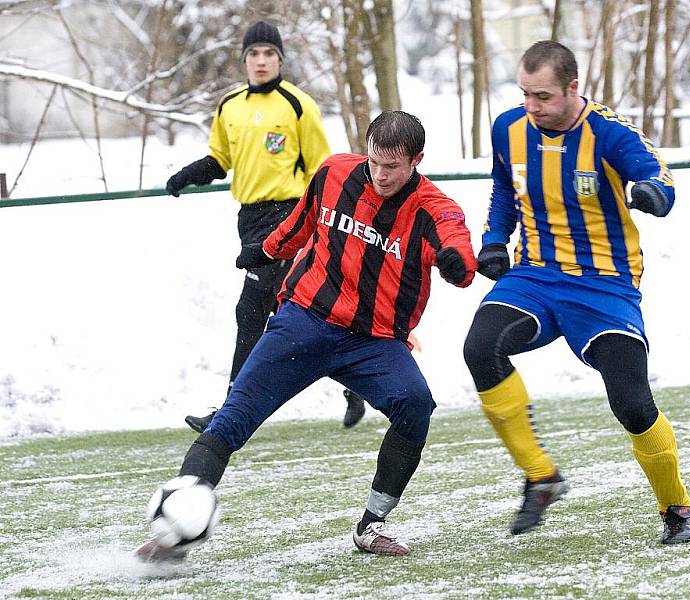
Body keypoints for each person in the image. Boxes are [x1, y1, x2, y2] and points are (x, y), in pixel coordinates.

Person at [140, 110, 478, 561]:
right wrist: (264, 250)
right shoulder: (335, 172)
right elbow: (300, 224)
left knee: (416, 404)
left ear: (416, 160)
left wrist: (458, 264)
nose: (380, 175)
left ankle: (371, 525)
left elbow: (457, 245)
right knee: (234, 415)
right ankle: (177, 529)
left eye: (393, 167)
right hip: (304, 321)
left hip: (373, 341)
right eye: (375, 161)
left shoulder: (433, 207)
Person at [462, 40, 690, 544]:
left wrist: (652, 194)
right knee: (480, 348)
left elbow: (659, 174)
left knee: (632, 405)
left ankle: (676, 508)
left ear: (573, 88)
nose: (531, 106)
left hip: (604, 286)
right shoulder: (509, 128)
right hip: (535, 275)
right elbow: (505, 188)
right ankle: (540, 476)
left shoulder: (609, 134)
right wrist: (493, 242)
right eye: (524, 93)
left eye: (542, 96)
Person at [165, 21, 366, 431]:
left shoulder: (298, 105)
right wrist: (187, 174)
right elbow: (219, 160)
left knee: (251, 312)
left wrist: (319, 226)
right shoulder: (230, 106)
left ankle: (229, 414)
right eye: (253, 54)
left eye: (269, 54)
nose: (261, 61)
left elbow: (322, 172)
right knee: (299, 317)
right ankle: (356, 385)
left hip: (289, 216)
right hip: (250, 218)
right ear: (244, 60)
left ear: (280, 60)